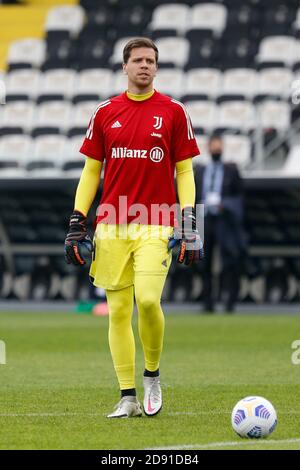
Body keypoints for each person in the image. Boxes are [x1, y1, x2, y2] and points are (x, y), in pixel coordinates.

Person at [64, 38, 203, 418]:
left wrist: (190, 220)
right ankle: (127, 396)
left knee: (146, 300)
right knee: (118, 311)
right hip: (111, 223)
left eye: (151, 61)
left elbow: (185, 171)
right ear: (124, 67)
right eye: (138, 60)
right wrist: (78, 220)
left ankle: (152, 375)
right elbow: (91, 171)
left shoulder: (174, 111)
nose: (145, 65)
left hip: (157, 220)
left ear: (156, 68)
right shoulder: (105, 112)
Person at [194, 134, 245, 313]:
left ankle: (229, 301)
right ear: (208, 148)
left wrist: (226, 205)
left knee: (229, 260)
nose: (216, 150)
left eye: (219, 147)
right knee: (203, 260)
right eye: (213, 147)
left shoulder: (231, 170)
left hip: (224, 219)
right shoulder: (200, 171)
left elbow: (239, 195)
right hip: (204, 218)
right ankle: (207, 302)